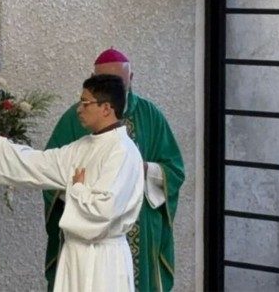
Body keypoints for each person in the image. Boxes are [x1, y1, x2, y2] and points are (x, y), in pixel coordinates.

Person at [0, 74, 144, 292]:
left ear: (106, 108)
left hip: (103, 260)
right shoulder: (84, 146)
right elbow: (40, 164)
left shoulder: (122, 152)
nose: (79, 109)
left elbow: (104, 211)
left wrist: (77, 188)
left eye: (85, 103)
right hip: (75, 254)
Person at [43, 48, 185, 291]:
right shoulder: (76, 117)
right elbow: (49, 171)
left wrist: (143, 170)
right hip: (90, 238)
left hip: (140, 224)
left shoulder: (151, 116)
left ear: (132, 78)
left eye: (120, 81)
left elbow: (174, 171)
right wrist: (81, 193)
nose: (115, 87)